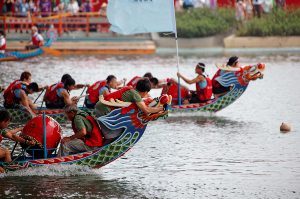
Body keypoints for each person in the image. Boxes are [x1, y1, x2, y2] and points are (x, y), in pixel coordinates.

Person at [95, 78, 164, 117]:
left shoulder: (132, 90)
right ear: (145, 92)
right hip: (104, 108)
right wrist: (160, 109)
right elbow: (146, 110)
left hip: (100, 105)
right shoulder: (135, 94)